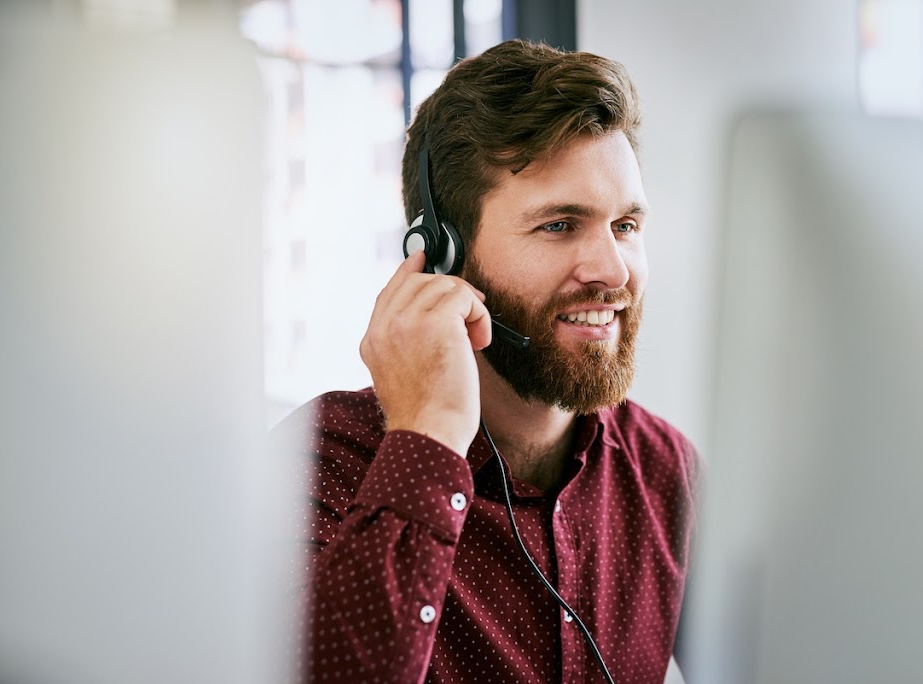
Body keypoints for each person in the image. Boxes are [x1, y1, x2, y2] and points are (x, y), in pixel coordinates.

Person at [276, 39, 700, 684]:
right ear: (444, 255)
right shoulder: (319, 467)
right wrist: (430, 436)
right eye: (559, 225)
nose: (613, 270)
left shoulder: (665, 472)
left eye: (626, 225)